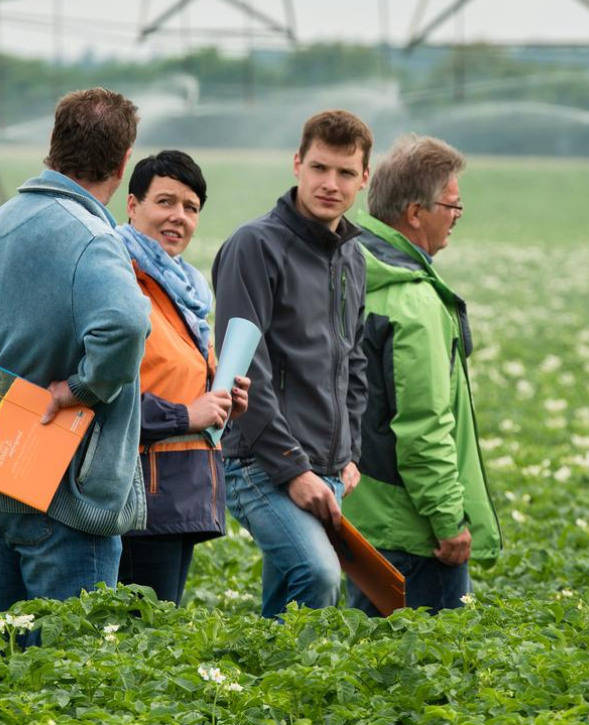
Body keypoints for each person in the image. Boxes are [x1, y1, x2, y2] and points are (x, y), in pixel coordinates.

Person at [0, 88, 151, 635]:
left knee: (0, 661)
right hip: (61, 491)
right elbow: (125, 323)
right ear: (123, 165)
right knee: (66, 672)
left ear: (54, 146)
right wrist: (82, 389)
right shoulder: (92, 238)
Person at [212, 110, 372, 618]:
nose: (331, 183)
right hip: (260, 461)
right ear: (297, 163)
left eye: (346, 173)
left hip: (327, 467)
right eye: (320, 168)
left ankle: (273, 692)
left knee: (288, 604)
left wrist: (350, 453)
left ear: (364, 179)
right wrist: (294, 469)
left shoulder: (352, 257)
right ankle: (295, 689)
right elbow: (244, 369)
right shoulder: (255, 246)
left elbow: (354, 361)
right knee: (318, 573)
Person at [345, 134, 500, 616]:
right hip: (415, 534)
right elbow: (422, 427)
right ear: (415, 213)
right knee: (428, 677)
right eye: (452, 205)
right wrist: (448, 521)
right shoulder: (413, 302)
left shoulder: (353, 275)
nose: (456, 215)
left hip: (362, 515)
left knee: (367, 676)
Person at [114, 150, 250, 605]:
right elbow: (107, 397)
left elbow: (178, 379)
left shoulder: (186, 290)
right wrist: (187, 413)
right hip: (140, 496)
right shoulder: (120, 282)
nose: (179, 217)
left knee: (155, 636)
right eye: (166, 202)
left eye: (190, 208)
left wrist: (222, 400)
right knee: (136, 642)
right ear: (133, 205)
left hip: (183, 492)